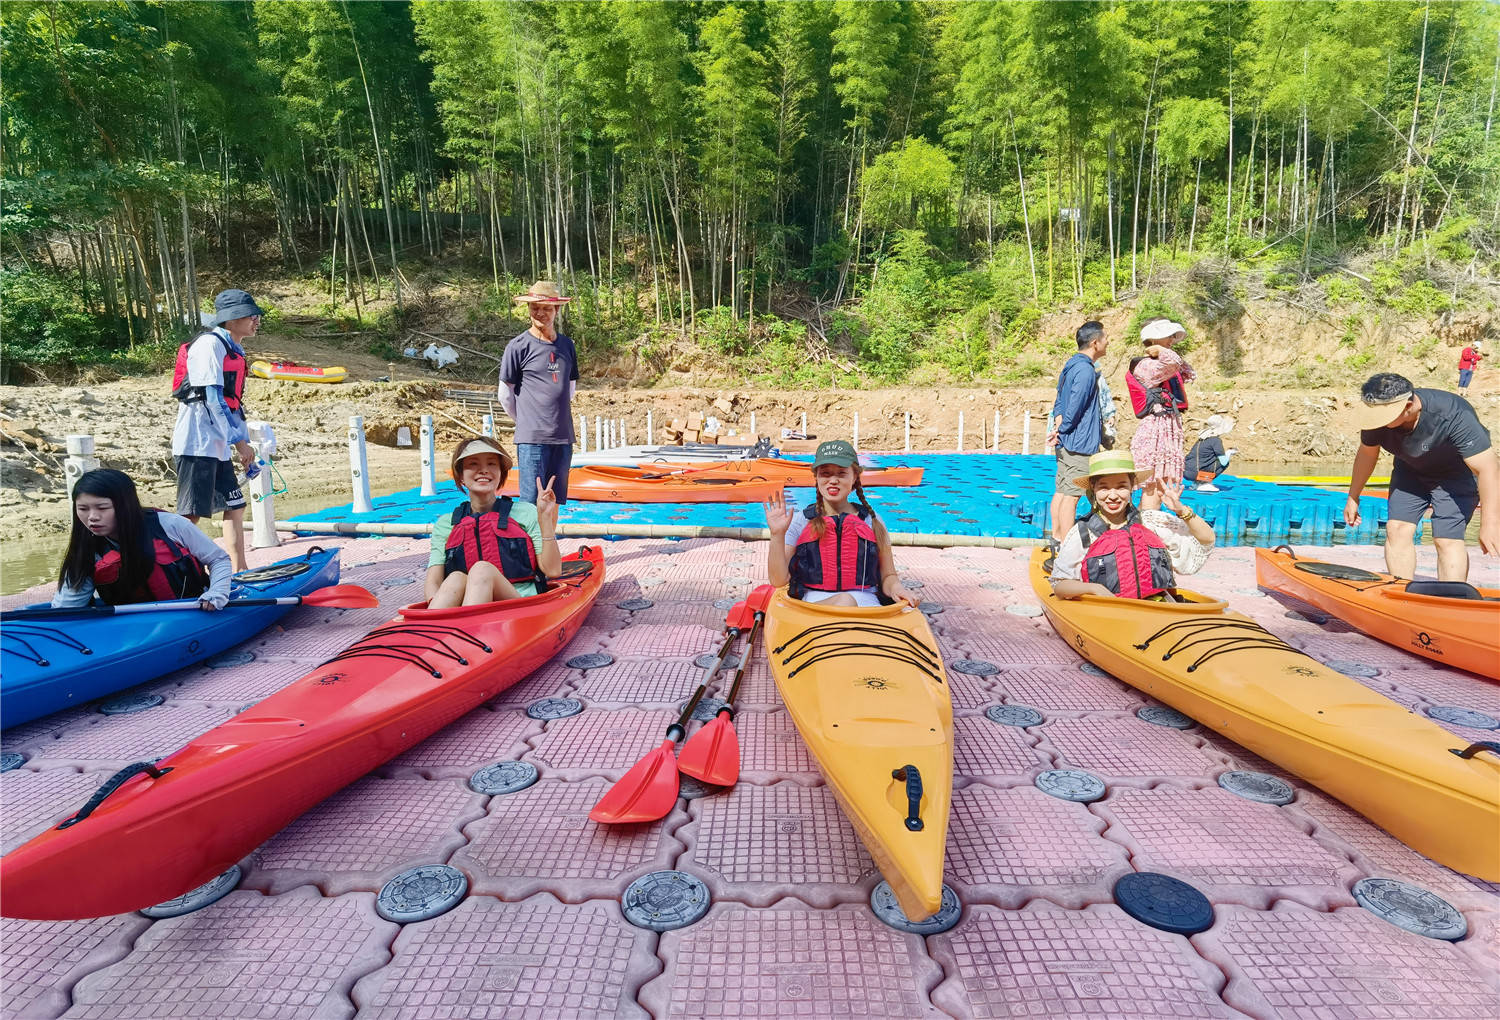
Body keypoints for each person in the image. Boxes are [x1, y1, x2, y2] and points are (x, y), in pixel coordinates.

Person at [1346, 373, 1498, 582]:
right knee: (1397, 529)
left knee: (1446, 539)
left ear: (1408, 407)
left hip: (1456, 474)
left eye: (1382, 417)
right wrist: (1353, 496)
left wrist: (1490, 524)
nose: (1375, 422)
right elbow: (1367, 454)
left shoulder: (1453, 414)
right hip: (1410, 471)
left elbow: (1488, 469)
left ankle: (1451, 600)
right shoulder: (1377, 420)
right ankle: (1402, 595)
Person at [171, 288, 263, 572]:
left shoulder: (234, 349)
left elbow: (233, 403)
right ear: (230, 319)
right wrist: (239, 442)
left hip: (218, 444)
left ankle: (240, 571)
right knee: (191, 515)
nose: (256, 320)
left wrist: (241, 442)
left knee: (235, 506)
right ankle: (172, 572)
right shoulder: (209, 345)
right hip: (197, 443)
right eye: (250, 314)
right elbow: (213, 400)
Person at [763, 440, 917, 608]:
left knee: (849, 602)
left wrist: (897, 589)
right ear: (816, 477)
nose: (833, 480)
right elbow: (778, 580)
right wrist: (777, 535)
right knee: (845, 601)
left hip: (866, 603)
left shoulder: (872, 521)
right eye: (826, 473)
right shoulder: (801, 521)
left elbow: (888, 576)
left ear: (855, 477)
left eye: (841, 473)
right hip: (813, 604)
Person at [53, 468, 232, 610]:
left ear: (125, 505)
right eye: (83, 509)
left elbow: (218, 559)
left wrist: (216, 594)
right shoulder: (87, 548)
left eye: (102, 508)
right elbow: (66, 607)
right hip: (130, 626)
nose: (92, 517)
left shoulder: (170, 525)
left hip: (193, 610)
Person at [1049, 451, 1216, 601]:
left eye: (1121, 486)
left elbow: (1206, 539)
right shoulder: (1083, 533)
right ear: (1094, 489)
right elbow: (1060, 585)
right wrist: (1094, 588)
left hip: (1157, 611)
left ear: (1132, 487)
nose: (1112, 496)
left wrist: (1181, 510)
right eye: (1104, 488)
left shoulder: (1150, 522)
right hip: (1109, 615)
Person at [424, 437, 562, 609]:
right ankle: (432, 626)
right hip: (468, 605)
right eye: (473, 464)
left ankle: (462, 630)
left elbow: (553, 571)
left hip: (521, 605)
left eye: (491, 464)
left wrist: (545, 519)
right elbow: (434, 581)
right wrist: (434, 604)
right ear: (460, 476)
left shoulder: (525, 512)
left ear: (500, 474)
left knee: (482, 570)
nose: (483, 470)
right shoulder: (446, 524)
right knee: (455, 578)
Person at [499, 280, 578, 506]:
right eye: (535, 308)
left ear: (557, 310)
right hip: (532, 440)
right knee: (531, 502)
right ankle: (532, 543)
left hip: (562, 436)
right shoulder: (518, 346)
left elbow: (569, 388)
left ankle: (549, 540)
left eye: (546, 308)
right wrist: (526, 421)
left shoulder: (567, 346)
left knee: (554, 499)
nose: (540, 313)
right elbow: (505, 394)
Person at [1047, 321, 1111, 546]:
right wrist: (1062, 429)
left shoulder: (1071, 365)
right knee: (1073, 496)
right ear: (1095, 343)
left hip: (1067, 440)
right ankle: (1065, 546)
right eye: (1105, 339)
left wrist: (1058, 425)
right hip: (1079, 443)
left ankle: (1055, 537)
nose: (1108, 342)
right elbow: (1074, 407)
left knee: (1063, 491)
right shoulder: (1085, 370)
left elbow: (1060, 401)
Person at [1128, 318, 1196, 512]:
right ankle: (1145, 532)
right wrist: (1162, 352)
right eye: (1168, 337)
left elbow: (1188, 371)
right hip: (1156, 428)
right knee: (1152, 486)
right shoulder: (1144, 366)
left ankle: (1146, 529)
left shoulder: (1161, 363)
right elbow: (1174, 361)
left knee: (1159, 487)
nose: (1172, 341)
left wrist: (1161, 351)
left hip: (1167, 427)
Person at [1183, 414, 1237, 492]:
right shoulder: (1216, 440)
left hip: (1186, 471)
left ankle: (1197, 483)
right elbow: (1224, 462)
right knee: (1225, 462)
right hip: (1195, 473)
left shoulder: (1202, 438)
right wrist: (1229, 452)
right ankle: (1204, 483)